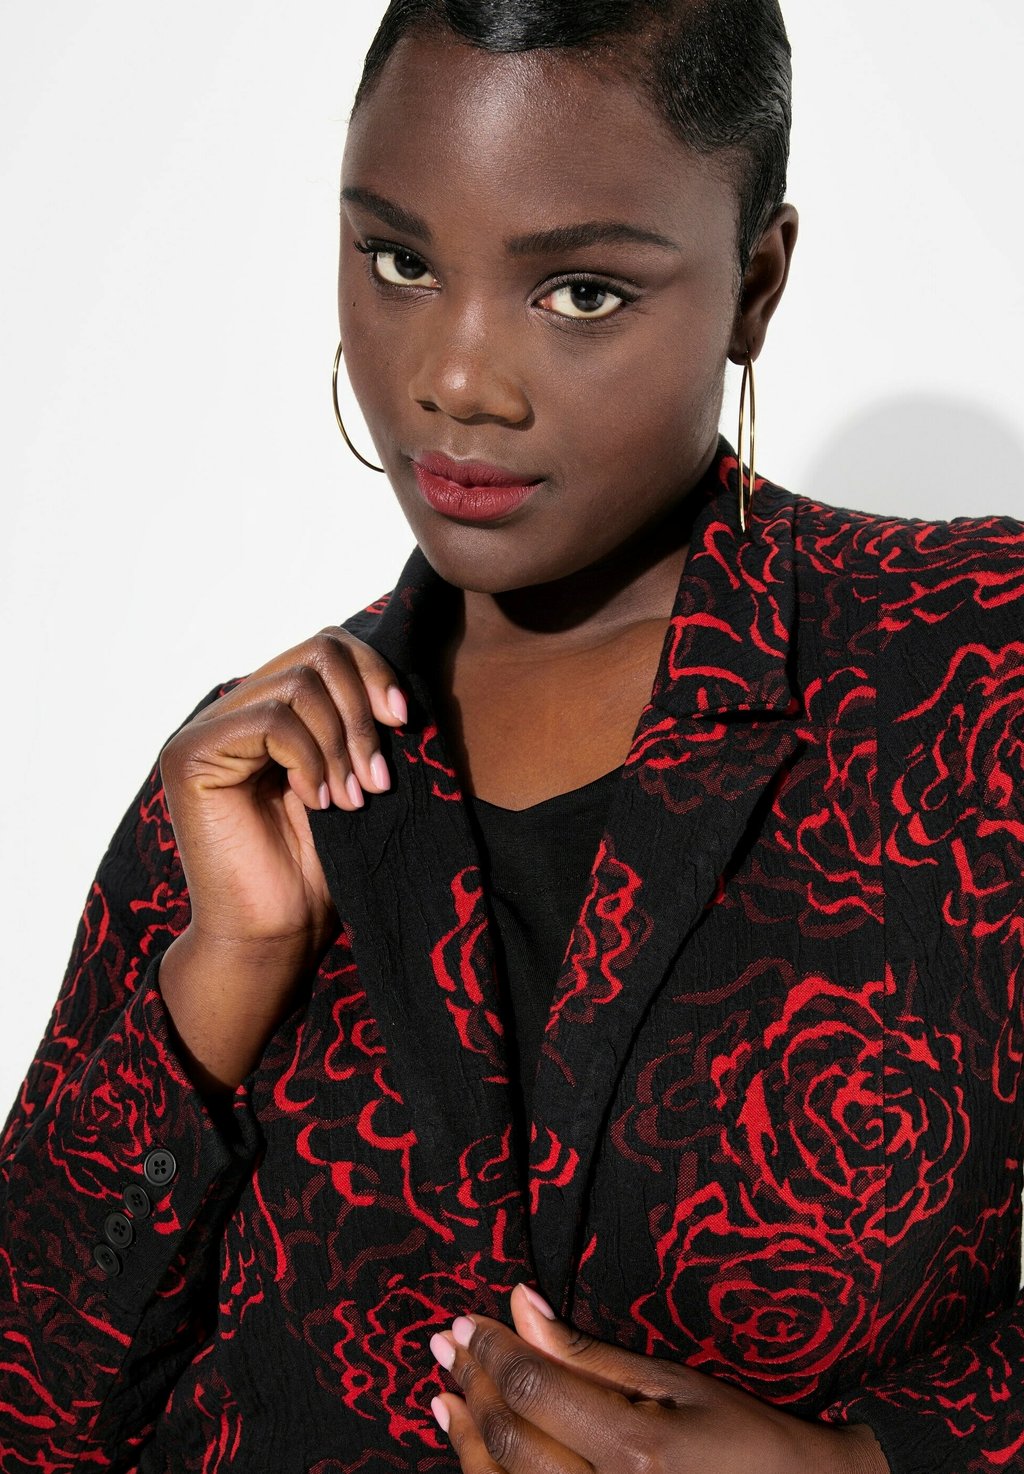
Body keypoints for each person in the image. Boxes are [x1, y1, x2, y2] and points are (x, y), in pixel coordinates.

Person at [1, 1, 1022, 1470]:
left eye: (582, 292)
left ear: (755, 284)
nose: (456, 378)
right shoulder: (246, 778)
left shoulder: (971, 667)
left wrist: (865, 1465)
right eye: (399, 262)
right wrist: (217, 982)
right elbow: (29, 1407)